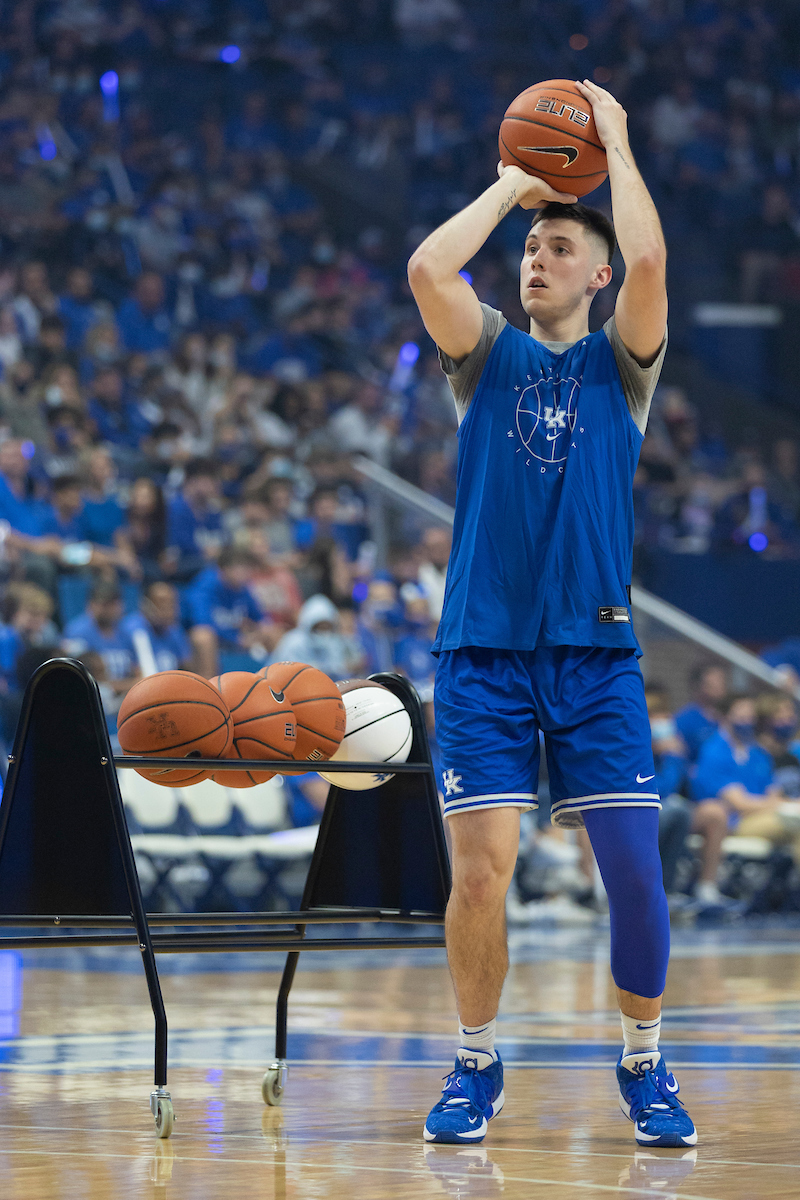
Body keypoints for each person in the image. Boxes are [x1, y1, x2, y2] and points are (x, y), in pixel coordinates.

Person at [407, 80, 696, 1147]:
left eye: (560, 248)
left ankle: (644, 1065)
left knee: (631, 877)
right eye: (532, 250)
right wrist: (510, 188)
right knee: (479, 879)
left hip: (594, 656)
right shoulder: (483, 352)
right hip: (481, 654)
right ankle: (474, 1065)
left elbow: (655, 265)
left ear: (598, 271)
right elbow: (429, 269)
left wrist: (613, 143)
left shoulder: (621, 368)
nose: (538, 259)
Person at [185, 545, 272, 677]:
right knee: (203, 636)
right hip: (201, 640)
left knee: (271, 631)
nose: (245, 573)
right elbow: (202, 622)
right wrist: (236, 639)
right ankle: (208, 687)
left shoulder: (243, 588)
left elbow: (261, 618)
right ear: (223, 569)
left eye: (247, 568)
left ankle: (275, 685)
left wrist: (257, 633)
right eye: (240, 567)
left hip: (235, 636)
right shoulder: (205, 587)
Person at [61, 580, 140, 696]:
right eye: (104, 604)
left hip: (125, 696)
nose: (108, 610)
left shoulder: (126, 633)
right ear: (91, 604)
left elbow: (139, 671)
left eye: (113, 604)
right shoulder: (77, 633)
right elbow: (81, 678)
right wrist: (127, 685)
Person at [121, 581, 191, 673]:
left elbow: (186, 668)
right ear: (146, 604)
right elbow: (142, 673)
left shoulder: (174, 630)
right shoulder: (133, 629)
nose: (168, 609)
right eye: (162, 603)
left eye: (171, 603)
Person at [675, 663, 728, 763]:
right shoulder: (685, 720)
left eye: (722, 681)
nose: (719, 686)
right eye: (713, 683)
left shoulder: (730, 717)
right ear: (699, 686)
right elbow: (679, 753)